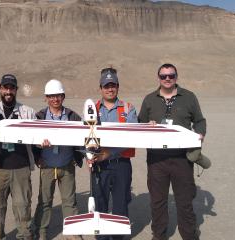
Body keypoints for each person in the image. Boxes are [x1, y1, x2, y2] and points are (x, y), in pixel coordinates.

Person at [137, 63, 206, 240]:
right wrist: (146, 125)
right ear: (158, 78)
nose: (167, 78)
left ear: (176, 76)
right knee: (158, 201)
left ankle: (189, 234)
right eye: (163, 76)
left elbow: (199, 120)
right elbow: (139, 123)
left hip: (182, 158)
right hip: (156, 160)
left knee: (184, 201)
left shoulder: (189, 97)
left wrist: (200, 133)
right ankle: (159, 235)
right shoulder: (150, 99)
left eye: (171, 75)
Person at [87, 67, 138, 240]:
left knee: (120, 205)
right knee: (99, 202)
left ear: (118, 86)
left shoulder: (128, 109)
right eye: (106, 85)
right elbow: (86, 136)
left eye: (113, 85)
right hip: (99, 166)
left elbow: (131, 138)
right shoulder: (92, 109)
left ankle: (117, 236)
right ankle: (101, 237)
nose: (110, 89)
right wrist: (89, 155)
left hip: (121, 165)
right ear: (100, 88)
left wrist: (108, 153)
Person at [0, 74, 36, 240]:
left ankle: (25, 236)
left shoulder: (27, 112)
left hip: (21, 169)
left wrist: (43, 145)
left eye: (11, 88)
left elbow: (38, 136)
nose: (8, 91)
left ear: (16, 90)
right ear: (0, 88)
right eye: (5, 87)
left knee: (23, 207)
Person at [32, 79, 83, 240]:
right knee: (45, 201)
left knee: (70, 201)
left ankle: (72, 232)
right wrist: (37, 155)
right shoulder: (39, 116)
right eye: (51, 96)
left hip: (66, 165)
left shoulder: (72, 116)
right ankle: (41, 232)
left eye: (58, 95)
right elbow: (32, 139)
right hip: (47, 166)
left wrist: (77, 156)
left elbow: (81, 137)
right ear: (46, 98)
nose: (55, 99)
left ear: (63, 96)